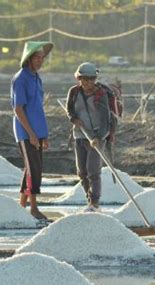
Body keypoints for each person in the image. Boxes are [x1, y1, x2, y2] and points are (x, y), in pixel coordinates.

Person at [11, 41, 53, 220]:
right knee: (33, 169)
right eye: (36, 57)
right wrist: (31, 134)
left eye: (42, 58)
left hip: (37, 131)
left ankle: (21, 207)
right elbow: (18, 109)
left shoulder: (36, 78)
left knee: (32, 168)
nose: (40, 61)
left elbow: (37, 108)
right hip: (25, 131)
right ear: (28, 58)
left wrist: (43, 135)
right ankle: (33, 208)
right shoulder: (20, 79)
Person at [66, 62, 112, 212]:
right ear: (79, 79)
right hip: (80, 135)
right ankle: (89, 201)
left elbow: (106, 119)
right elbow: (70, 110)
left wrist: (98, 137)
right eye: (85, 79)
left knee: (93, 171)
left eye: (91, 79)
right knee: (82, 172)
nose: (88, 83)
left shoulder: (101, 95)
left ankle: (95, 202)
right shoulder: (74, 92)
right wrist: (74, 119)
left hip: (97, 136)